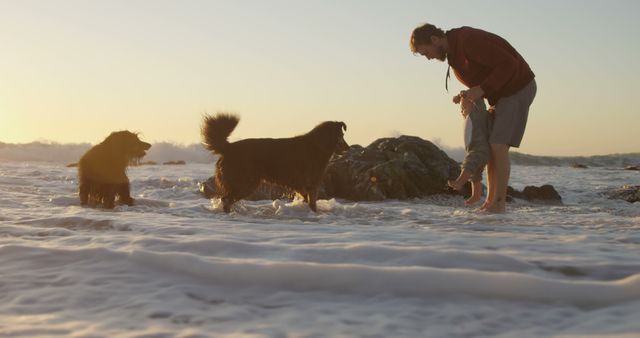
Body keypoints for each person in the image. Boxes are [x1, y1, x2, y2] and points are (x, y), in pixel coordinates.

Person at [410, 23, 537, 213]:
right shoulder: (454, 54)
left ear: (434, 39)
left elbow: (508, 64)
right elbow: (482, 78)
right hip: (500, 96)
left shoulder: (468, 40)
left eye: (425, 52)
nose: (428, 58)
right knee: (491, 147)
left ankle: (499, 204)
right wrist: (466, 95)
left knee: (498, 144)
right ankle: (490, 202)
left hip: (517, 88)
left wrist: (480, 90)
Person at [447, 91, 491, 206]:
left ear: (473, 105)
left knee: (468, 164)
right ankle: (476, 196)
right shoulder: (467, 118)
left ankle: (459, 182)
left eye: (463, 108)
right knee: (475, 175)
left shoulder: (478, 113)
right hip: (473, 149)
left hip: (480, 149)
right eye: (460, 109)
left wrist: (465, 94)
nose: (461, 111)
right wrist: (459, 98)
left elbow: (478, 99)